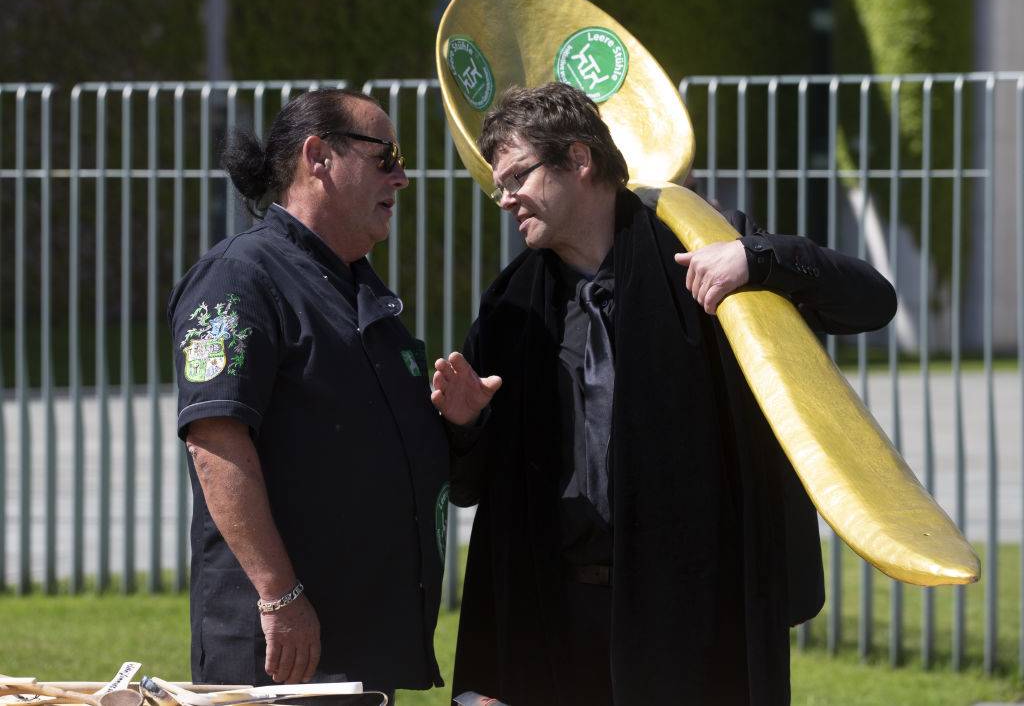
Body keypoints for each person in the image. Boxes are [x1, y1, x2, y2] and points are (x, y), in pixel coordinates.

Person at [431, 82, 897, 705]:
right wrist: (465, 426)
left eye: (517, 176)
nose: (506, 198)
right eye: (499, 186)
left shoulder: (702, 249)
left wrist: (758, 259)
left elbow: (872, 301)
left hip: (695, 615)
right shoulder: (511, 305)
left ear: (579, 158)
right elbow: (469, 487)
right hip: (557, 616)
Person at [167, 89, 449, 700]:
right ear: (318, 156)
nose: (402, 178)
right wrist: (280, 594)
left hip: (356, 642)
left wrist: (459, 419)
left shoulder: (356, 288)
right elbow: (215, 440)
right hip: (284, 654)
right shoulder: (241, 275)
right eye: (386, 156)